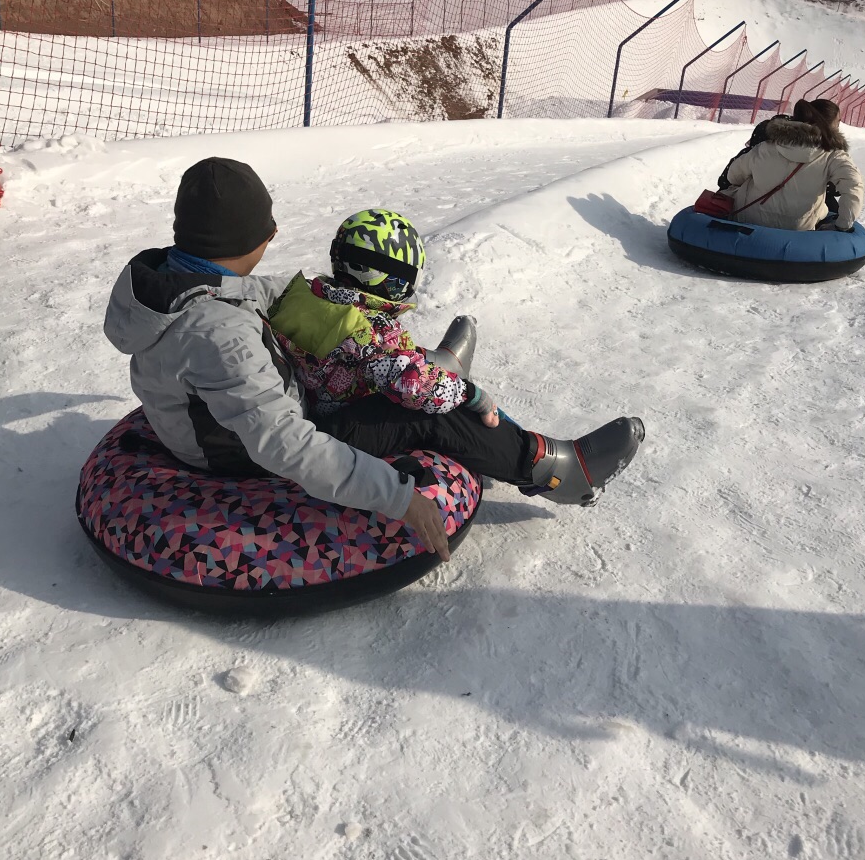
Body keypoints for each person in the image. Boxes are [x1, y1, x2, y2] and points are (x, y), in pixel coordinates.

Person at [103, 159, 644, 564]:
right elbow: (283, 444)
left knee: (366, 358)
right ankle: (554, 468)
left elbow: (265, 293)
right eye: (268, 230)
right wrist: (398, 497)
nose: (274, 237)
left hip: (233, 418)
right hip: (238, 455)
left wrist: (324, 302)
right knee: (426, 413)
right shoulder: (220, 337)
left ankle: (424, 371)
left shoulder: (175, 281)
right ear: (253, 237)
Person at [267, 209, 500, 426]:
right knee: (447, 422)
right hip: (352, 425)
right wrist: (470, 394)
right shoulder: (371, 327)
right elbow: (411, 382)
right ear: (384, 274)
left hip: (311, 406)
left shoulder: (304, 297)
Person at [718, 98, 864, 231]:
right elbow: (854, 185)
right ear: (830, 124)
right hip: (798, 229)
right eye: (838, 121)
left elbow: (733, 176)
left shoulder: (766, 146)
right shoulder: (833, 155)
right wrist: (842, 225)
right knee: (827, 204)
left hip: (749, 219)